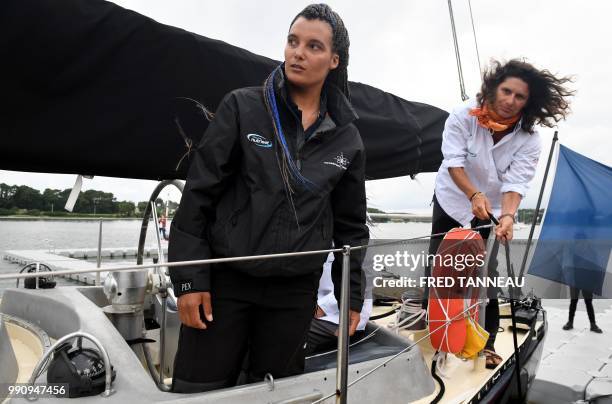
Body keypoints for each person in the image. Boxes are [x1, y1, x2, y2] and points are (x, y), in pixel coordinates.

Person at [168, 4, 368, 393]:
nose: (297, 52)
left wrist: (351, 298)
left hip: (294, 293)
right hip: (226, 280)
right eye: (293, 41)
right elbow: (198, 196)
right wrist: (189, 281)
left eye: (313, 46)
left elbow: (351, 227)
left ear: (334, 60)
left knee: (277, 392)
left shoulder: (347, 138)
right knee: (200, 390)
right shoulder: (243, 107)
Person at [429, 59, 573, 369]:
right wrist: (472, 193)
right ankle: (437, 334)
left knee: (485, 273)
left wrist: (508, 217)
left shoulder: (529, 138)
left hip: (490, 208)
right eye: (506, 91)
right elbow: (453, 162)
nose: (510, 101)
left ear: (528, 102)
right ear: (494, 88)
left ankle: (488, 341)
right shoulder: (462, 116)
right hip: (453, 197)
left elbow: (516, 182)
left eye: (519, 96)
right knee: (439, 267)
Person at [305, 253, 373, 356]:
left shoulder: (359, 241)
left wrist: (322, 307)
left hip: (340, 318)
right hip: (312, 304)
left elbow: (364, 281)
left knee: (289, 332)